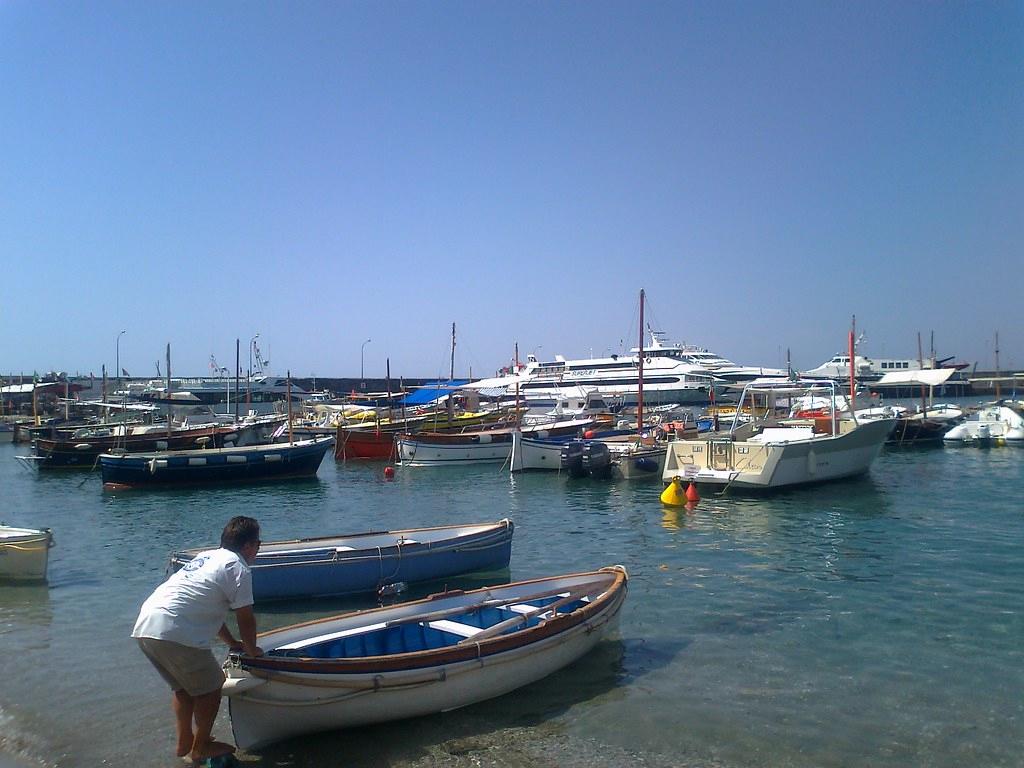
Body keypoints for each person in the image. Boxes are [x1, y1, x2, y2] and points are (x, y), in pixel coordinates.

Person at [132, 516, 264, 762]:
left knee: (184, 689)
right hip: (174, 630)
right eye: (259, 544)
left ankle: (185, 742)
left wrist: (231, 643)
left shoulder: (208, 557)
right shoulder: (238, 567)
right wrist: (251, 650)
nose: (258, 549)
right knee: (213, 687)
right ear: (248, 546)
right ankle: (200, 746)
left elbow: (208, 609)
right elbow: (246, 617)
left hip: (146, 625)